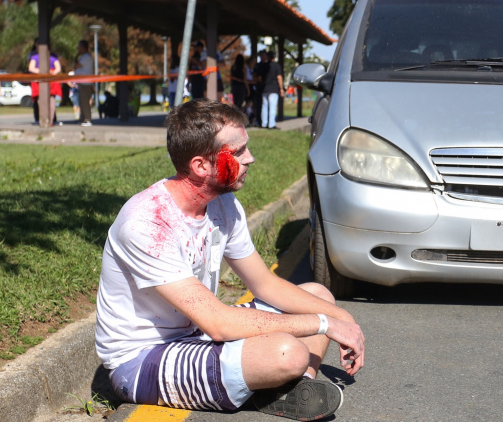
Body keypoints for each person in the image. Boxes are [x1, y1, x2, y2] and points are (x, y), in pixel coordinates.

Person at [95, 99, 363, 419]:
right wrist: (324, 323)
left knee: (318, 297)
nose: (250, 159)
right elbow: (219, 323)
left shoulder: (224, 204)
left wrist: (340, 316)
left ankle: (295, 388)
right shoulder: (147, 223)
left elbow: (264, 284)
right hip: (141, 360)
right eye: (237, 153)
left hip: (198, 333)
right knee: (288, 350)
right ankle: (282, 375)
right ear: (201, 166)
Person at [28, 45, 62, 126]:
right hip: (40, 80)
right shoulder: (35, 57)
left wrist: (50, 73)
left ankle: (49, 120)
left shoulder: (53, 56)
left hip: (49, 80)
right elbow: (31, 68)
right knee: (42, 100)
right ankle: (44, 119)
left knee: (50, 100)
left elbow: (58, 68)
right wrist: (43, 72)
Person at [254, 50, 284, 129]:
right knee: (272, 107)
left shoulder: (263, 66)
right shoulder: (276, 66)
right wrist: (281, 88)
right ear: (274, 57)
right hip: (273, 88)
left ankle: (264, 123)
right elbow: (279, 77)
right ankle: (271, 124)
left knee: (264, 107)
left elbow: (259, 77)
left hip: (264, 88)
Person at [74, 39, 95, 127]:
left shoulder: (86, 57)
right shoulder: (83, 56)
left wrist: (76, 56)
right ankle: (82, 118)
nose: (78, 48)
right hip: (81, 82)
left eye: (79, 46)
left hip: (85, 83)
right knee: (81, 102)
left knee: (85, 101)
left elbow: (76, 65)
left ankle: (87, 119)